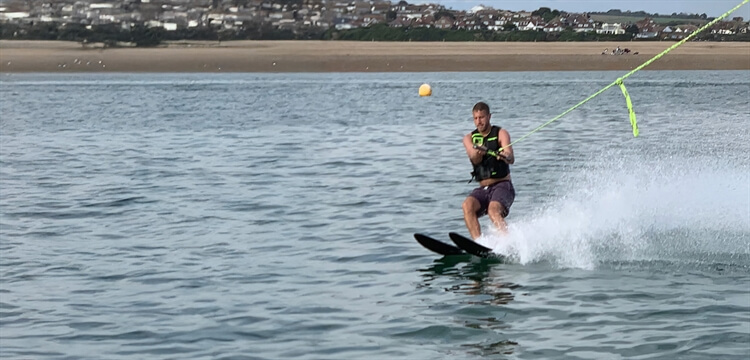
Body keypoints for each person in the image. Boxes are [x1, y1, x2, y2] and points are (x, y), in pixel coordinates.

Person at [461, 102, 515, 240]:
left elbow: (510, 157)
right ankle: (479, 243)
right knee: (467, 206)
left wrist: (503, 155)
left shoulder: (501, 133)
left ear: (489, 117)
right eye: (476, 118)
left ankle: (509, 243)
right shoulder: (469, 138)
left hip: (503, 186)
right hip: (484, 189)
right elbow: (474, 158)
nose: (479, 122)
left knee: (493, 210)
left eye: (482, 117)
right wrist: (479, 153)